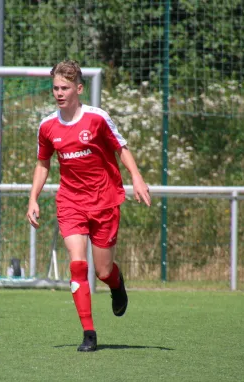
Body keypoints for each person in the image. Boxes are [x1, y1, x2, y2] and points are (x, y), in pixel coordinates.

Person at [26, 60, 151, 352]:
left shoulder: (97, 119)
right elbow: (43, 163)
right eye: (56, 87)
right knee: (77, 264)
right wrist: (33, 198)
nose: (59, 93)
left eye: (65, 88)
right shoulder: (47, 126)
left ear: (78, 89)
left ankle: (116, 285)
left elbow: (121, 148)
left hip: (105, 200)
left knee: (102, 271)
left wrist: (137, 177)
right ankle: (89, 333)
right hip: (70, 201)